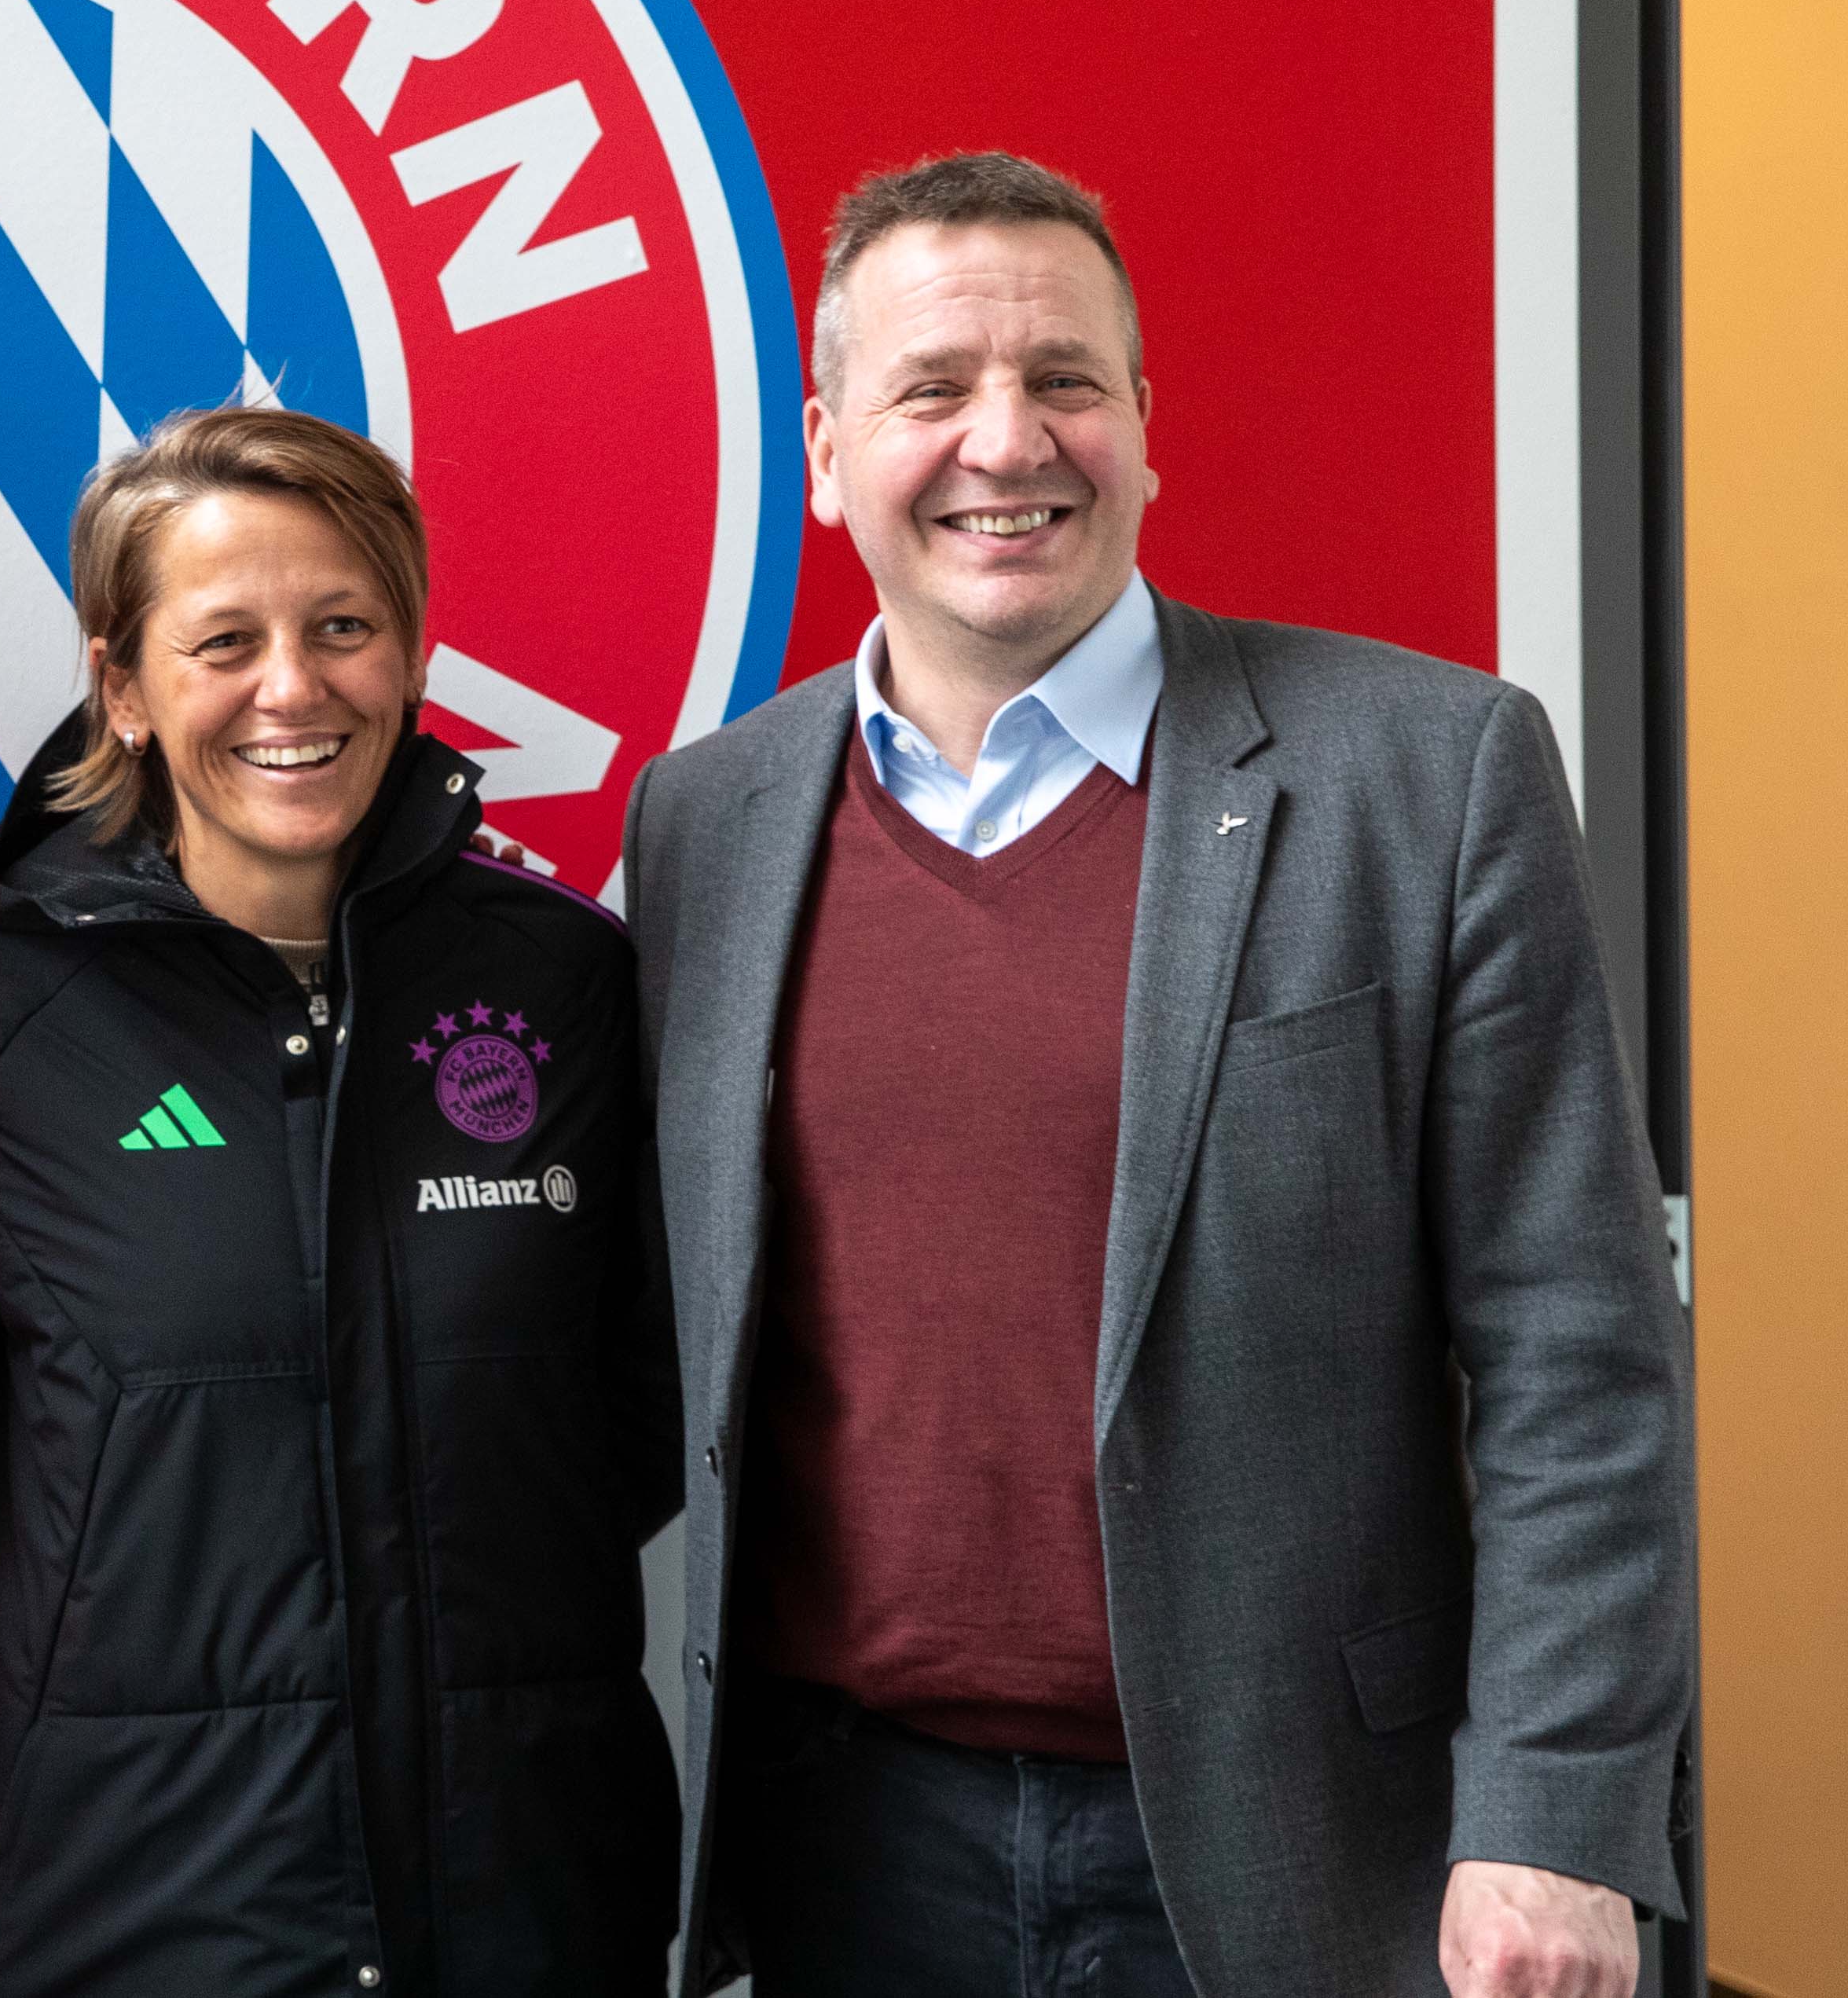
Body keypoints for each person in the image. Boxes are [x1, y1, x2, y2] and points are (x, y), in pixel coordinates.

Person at [624, 152, 1695, 1997]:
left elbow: (1578, 1357)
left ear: (1142, 425)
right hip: (852, 1850)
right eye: (933, 388)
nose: (1005, 438)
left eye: (1064, 379)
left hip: (1316, 1846)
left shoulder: (1428, 776)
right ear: (822, 449)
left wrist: (1552, 1812)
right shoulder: (708, 820)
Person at [0, 407, 681, 1997]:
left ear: (413, 650)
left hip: (521, 1894)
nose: (293, 687)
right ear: (125, 686)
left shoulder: (568, 982)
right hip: (129, 1904)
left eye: (344, 627)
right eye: (223, 639)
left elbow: (631, 1417)